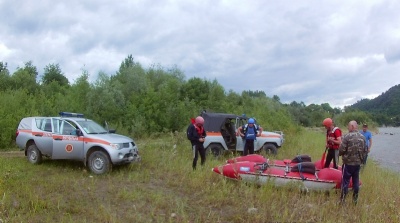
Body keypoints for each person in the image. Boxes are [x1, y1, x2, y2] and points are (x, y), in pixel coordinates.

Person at [339, 120, 367, 205]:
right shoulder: (363, 137)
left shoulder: (347, 137)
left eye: (348, 126)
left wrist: (342, 153)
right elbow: (365, 151)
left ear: (352, 126)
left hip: (348, 164)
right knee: (356, 182)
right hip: (357, 164)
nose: (348, 128)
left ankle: (342, 200)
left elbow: (341, 150)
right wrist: (361, 160)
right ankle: (355, 200)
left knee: (345, 182)